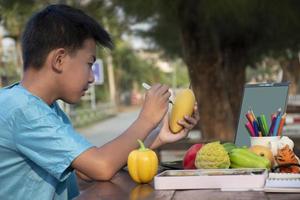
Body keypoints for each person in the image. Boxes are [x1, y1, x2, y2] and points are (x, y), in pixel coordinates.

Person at [0, 4, 199, 200]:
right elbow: (101, 166)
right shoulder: (22, 110)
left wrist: (159, 136)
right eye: (89, 64)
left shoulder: (44, 107)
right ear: (59, 60)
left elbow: (86, 169)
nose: (92, 78)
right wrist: (146, 119)